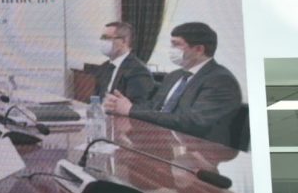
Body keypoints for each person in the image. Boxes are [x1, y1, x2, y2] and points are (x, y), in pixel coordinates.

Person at [104, 22, 242, 147]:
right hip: (159, 141)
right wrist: (122, 105)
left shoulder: (220, 80)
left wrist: (131, 110)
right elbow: (154, 107)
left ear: (199, 49)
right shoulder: (174, 76)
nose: (171, 49)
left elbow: (193, 122)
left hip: (198, 151)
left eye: (176, 44)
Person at [92, 21, 154, 104]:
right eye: (102, 38)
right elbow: (96, 98)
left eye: (107, 38)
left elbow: (137, 107)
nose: (103, 42)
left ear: (124, 41)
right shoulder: (104, 67)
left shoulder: (138, 71)